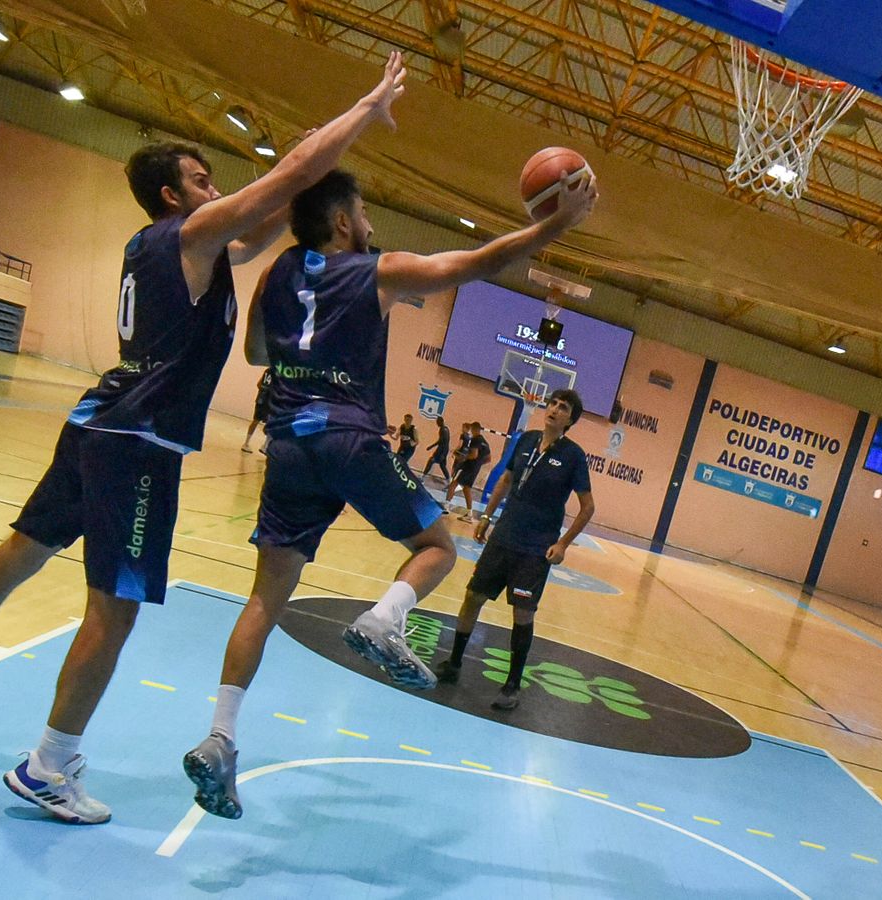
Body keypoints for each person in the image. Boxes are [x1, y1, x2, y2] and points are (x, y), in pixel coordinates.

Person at [0, 55, 409, 826]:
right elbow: (288, 178)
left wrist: (303, 170)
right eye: (203, 181)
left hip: (100, 416)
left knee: (24, 547)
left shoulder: (159, 245)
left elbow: (267, 216)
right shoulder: (190, 234)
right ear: (175, 195)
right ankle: (49, 766)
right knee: (115, 607)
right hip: (142, 439)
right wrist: (360, 113)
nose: (216, 191)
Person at [183, 163, 597, 820]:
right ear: (343, 222)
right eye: (366, 213)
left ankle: (221, 735)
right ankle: (383, 619)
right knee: (437, 547)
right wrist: (553, 225)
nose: (372, 224)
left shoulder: (275, 276)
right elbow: (477, 262)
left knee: (265, 597)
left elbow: (259, 353)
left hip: (289, 445)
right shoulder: (373, 271)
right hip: (349, 435)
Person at [435, 389, 594, 710]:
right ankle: (453, 664)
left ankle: (512, 685)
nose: (554, 409)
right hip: (503, 537)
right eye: (552, 403)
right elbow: (506, 480)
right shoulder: (525, 440)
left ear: (570, 420)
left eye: (562, 408)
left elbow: (588, 507)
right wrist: (486, 516)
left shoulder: (573, 456)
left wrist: (562, 544)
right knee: (473, 597)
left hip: (535, 549)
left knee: (522, 613)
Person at [450, 421, 490, 518]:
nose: (471, 431)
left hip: (469, 466)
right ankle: (469, 514)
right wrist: (479, 464)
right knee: (466, 489)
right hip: (475, 469)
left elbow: (473, 455)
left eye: (472, 429)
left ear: (475, 429)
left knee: (453, 484)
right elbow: (489, 459)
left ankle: (445, 507)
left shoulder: (475, 440)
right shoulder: (486, 443)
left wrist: (463, 458)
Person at [242, 367, 274, 452]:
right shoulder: (279, 372)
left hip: (261, 398)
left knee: (255, 420)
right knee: (271, 422)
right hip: (270, 400)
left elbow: (259, 384)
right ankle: (265, 446)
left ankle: (246, 443)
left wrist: (263, 391)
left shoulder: (268, 370)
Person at [421, 415, 452, 482]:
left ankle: (423, 477)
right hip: (444, 450)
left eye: (437, 422)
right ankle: (448, 480)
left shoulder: (443, 430)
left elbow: (441, 441)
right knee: (442, 466)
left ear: (441, 422)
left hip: (441, 451)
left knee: (431, 461)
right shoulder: (446, 429)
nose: (437, 423)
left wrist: (431, 446)